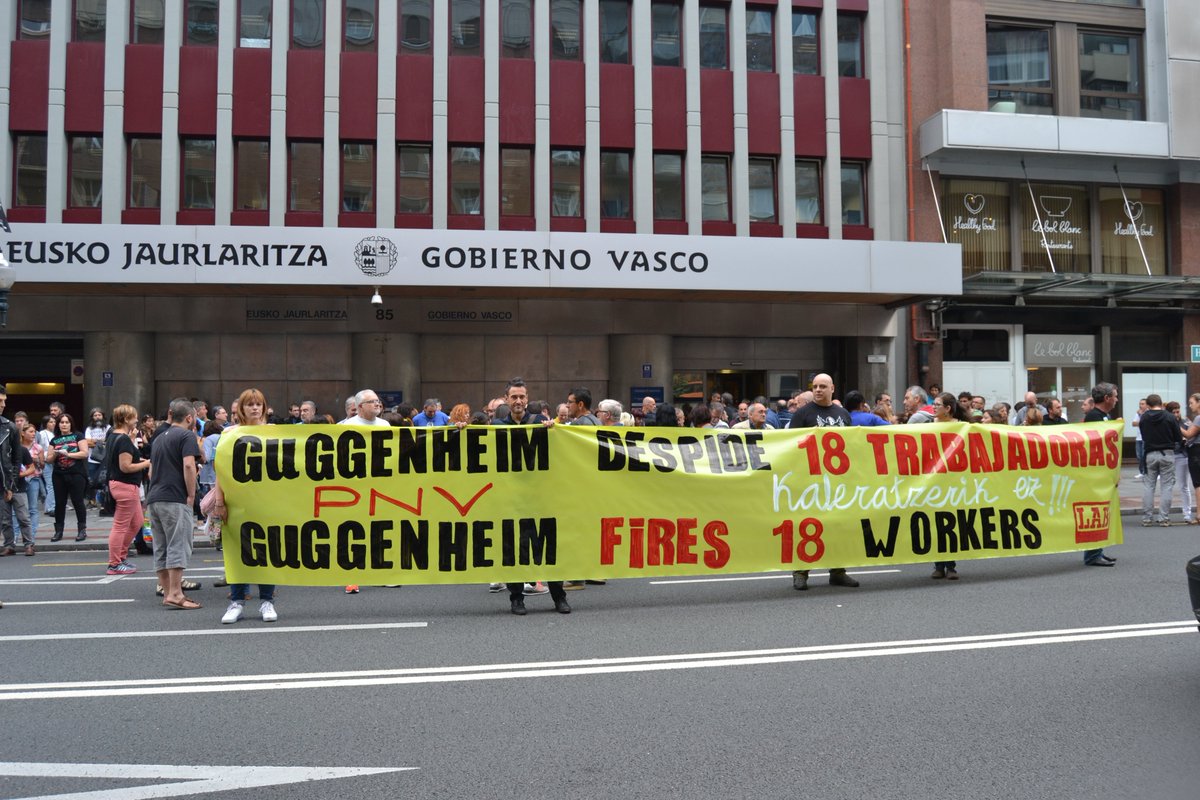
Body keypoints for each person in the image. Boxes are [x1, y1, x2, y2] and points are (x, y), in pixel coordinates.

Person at [787, 373, 860, 591]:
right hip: (811, 482)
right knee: (808, 527)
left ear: (832, 389)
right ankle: (800, 572)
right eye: (815, 386)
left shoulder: (843, 414)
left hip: (838, 483)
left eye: (822, 386)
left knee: (838, 526)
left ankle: (838, 571)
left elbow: (852, 445)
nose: (818, 390)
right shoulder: (802, 414)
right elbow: (791, 446)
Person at [214, 389, 278, 621]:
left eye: (258, 404)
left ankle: (267, 602)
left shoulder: (275, 432)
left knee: (267, 550)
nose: (255, 408)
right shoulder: (229, 434)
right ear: (241, 408)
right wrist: (219, 501)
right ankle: (236, 602)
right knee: (237, 551)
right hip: (237, 502)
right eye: (250, 404)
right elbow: (221, 471)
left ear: (264, 407)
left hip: (267, 501)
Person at [146, 398, 203, 610]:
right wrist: (191, 495)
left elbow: (151, 471)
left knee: (161, 546)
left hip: (155, 497)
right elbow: (189, 465)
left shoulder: (159, 438)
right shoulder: (186, 436)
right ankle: (177, 593)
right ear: (189, 417)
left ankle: (167, 591)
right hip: (174, 497)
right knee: (178, 544)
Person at [339, 389, 390, 595]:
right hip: (354, 488)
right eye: (372, 401)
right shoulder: (346, 427)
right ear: (360, 406)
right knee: (354, 530)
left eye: (378, 401)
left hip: (379, 485)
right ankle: (352, 576)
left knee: (379, 529)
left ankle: (381, 573)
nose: (377, 404)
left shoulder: (385, 425)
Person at [928, 392, 970, 580]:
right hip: (933, 481)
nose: (934, 407)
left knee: (951, 524)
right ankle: (938, 565)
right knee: (936, 523)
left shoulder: (961, 427)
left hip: (953, 481)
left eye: (937, 405)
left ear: (948, 408)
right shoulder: (929, 425)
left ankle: (951, 566)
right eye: (934, 404)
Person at [106, 404, 150, 575]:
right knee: (120, 526)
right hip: (125, 486)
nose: (137, 420)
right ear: (126, 419)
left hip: (123, 485)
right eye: (134, 417)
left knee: (137, 521)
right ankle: (114, 563)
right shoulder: (123, 439)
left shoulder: (115, 436)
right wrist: (147, 463)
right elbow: (125, 467)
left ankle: (120, 556)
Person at [1081, 382, 1120, 566]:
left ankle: (1097, 551)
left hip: (1103, 471)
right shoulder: (1094, 417)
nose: (1116, 399)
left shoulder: (1104, 416)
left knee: (1102, 511)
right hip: (1095, 473)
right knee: (1095, 511)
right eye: (1115, 396)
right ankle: (1092, 555)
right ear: (1106, 398)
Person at [1138, 394, 1179, 527]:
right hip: (1167, 453)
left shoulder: (1144, 417)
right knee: (1166, 486)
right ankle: (1163, 518)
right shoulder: (1170, 417)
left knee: (1149, 486)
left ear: (1148, 405)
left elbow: (1143, 435)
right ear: (1161, 404)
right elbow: (1178, 437)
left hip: (1150, 453)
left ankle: (1147, 518)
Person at [49, 413, 90, 542]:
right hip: (59, 474)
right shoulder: (54, 440)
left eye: (67, 422)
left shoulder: (78, 436)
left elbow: (84, 453)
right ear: (58, 425)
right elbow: (48, 459)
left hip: (76, 473)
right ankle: (58, 531)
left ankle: (82, 530)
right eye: (62, 422)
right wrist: (55, 454)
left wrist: (68, 454)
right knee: (59, 503)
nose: (64, 425)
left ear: (71, 424)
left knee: (78, 501)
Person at [0, 387, 25, 557]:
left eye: (4, 401)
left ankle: (10, 544)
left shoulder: (10, 427)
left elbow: (17, 458)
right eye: (0, 401)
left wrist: (11, 483)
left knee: (6, 517)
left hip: (3, 480)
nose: (3, 404)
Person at [84, 407, 110, 508]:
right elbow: (87, 443)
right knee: (92, 480)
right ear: (92, 417)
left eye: (99, 415)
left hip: (105, 459)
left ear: (103, 416)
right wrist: (101, 442)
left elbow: (109, 441)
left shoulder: (108, 427)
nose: (97, 417)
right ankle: (92, 501)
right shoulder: (89, 429)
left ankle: (104, 501)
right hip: (92, 459)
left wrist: (94, 441)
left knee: (105, 480)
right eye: (95, 415)